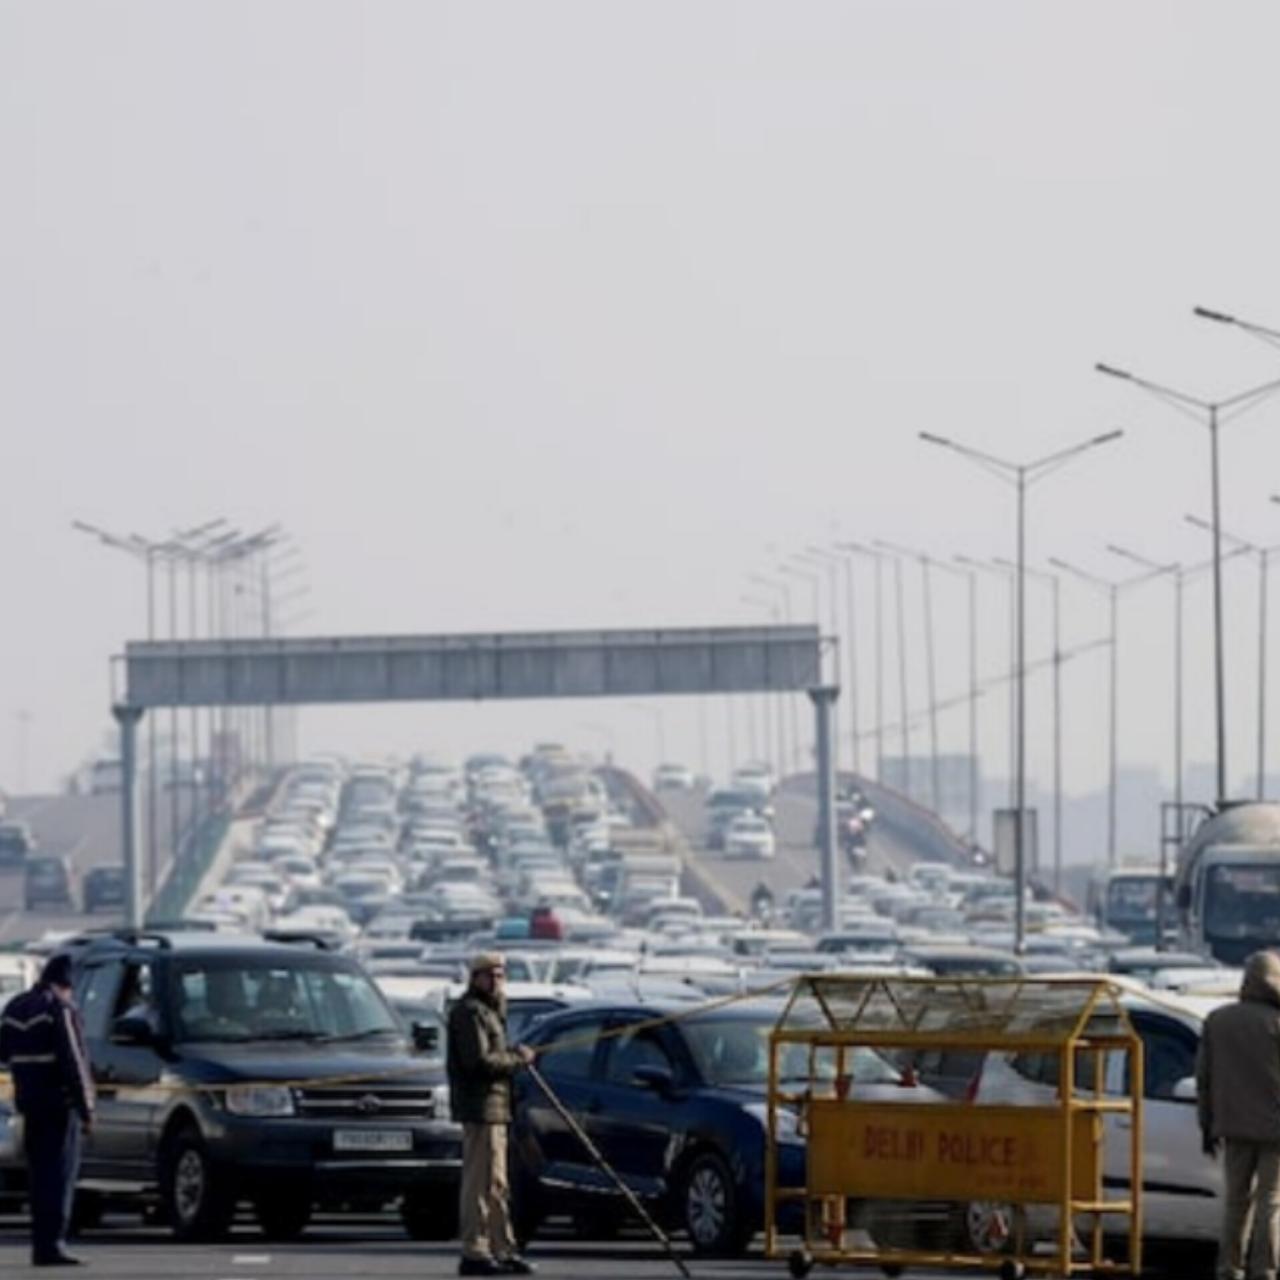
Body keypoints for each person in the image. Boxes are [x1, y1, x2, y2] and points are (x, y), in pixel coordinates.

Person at [0, 954, 95, 1267]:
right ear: (65, 984)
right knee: (59, 1176)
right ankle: (53, 1245)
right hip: (59, 1106)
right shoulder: (60, 1010)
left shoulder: (15, 1007)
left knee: (39, 1177)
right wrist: (87, 1108)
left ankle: (42, 1243)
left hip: (29, 1104)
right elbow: (74, 1062)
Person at [447, 952, 536, 1277]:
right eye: (489, 975)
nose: (496, 980)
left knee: (498, 1184)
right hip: (480, 1108)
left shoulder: (491, 1010)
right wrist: (518, 1060)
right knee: (479, 1184)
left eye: (500, 974)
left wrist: (514, 1057)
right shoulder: (468, 1012)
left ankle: (503, 1248)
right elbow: (479, 1062)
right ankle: (475, 1251)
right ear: (475, 978)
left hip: (497, 1108)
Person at [1196, 948, 1280, 1280]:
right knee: (1270, 1203)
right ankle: (1265, 1270)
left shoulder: (1218, 1021)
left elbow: (1204, 1079)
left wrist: (1206, 1125)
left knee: (1235, 1202)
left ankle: (1228, 1268)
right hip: (1276, 1130)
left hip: (1232, 1127)